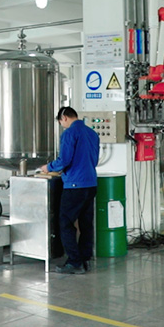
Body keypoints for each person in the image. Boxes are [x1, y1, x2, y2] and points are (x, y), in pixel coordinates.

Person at [38, 106, 100, 274]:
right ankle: (85, 259)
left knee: (65, 223)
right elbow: (94, 159)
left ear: (64, 118)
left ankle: (74, 262)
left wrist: (48, 167)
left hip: (74, 185)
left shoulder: (69, 133)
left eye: (61, 122)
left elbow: (64, 159)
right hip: (91, 183)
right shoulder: (92, 133)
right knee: (86, 223)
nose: (62, 125)